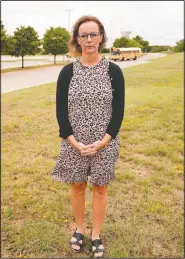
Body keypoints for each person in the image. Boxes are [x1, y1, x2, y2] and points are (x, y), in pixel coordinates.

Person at [51, 15, 125, 258]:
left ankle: (96, 234)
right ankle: (80, 229)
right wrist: (74, 142)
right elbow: (61, 112)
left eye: (94, 34)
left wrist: (104, 141)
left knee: (101, 189)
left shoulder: (114, 71)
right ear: (77, 39)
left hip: (105, 143)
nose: (89, 39)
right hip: (74, 144)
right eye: (84, 35)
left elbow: (118, 112)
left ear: (101, 37)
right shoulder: (67, 72)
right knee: (78, 187)